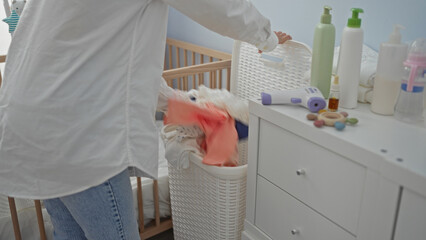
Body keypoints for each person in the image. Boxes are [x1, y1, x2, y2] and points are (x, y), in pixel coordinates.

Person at [0, 0, 291, 239]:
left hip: (29, 124)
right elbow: (219, 6)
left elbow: (121, 73)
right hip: (77, 137)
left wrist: (188, 104)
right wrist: (267, 39)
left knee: (68, 233)